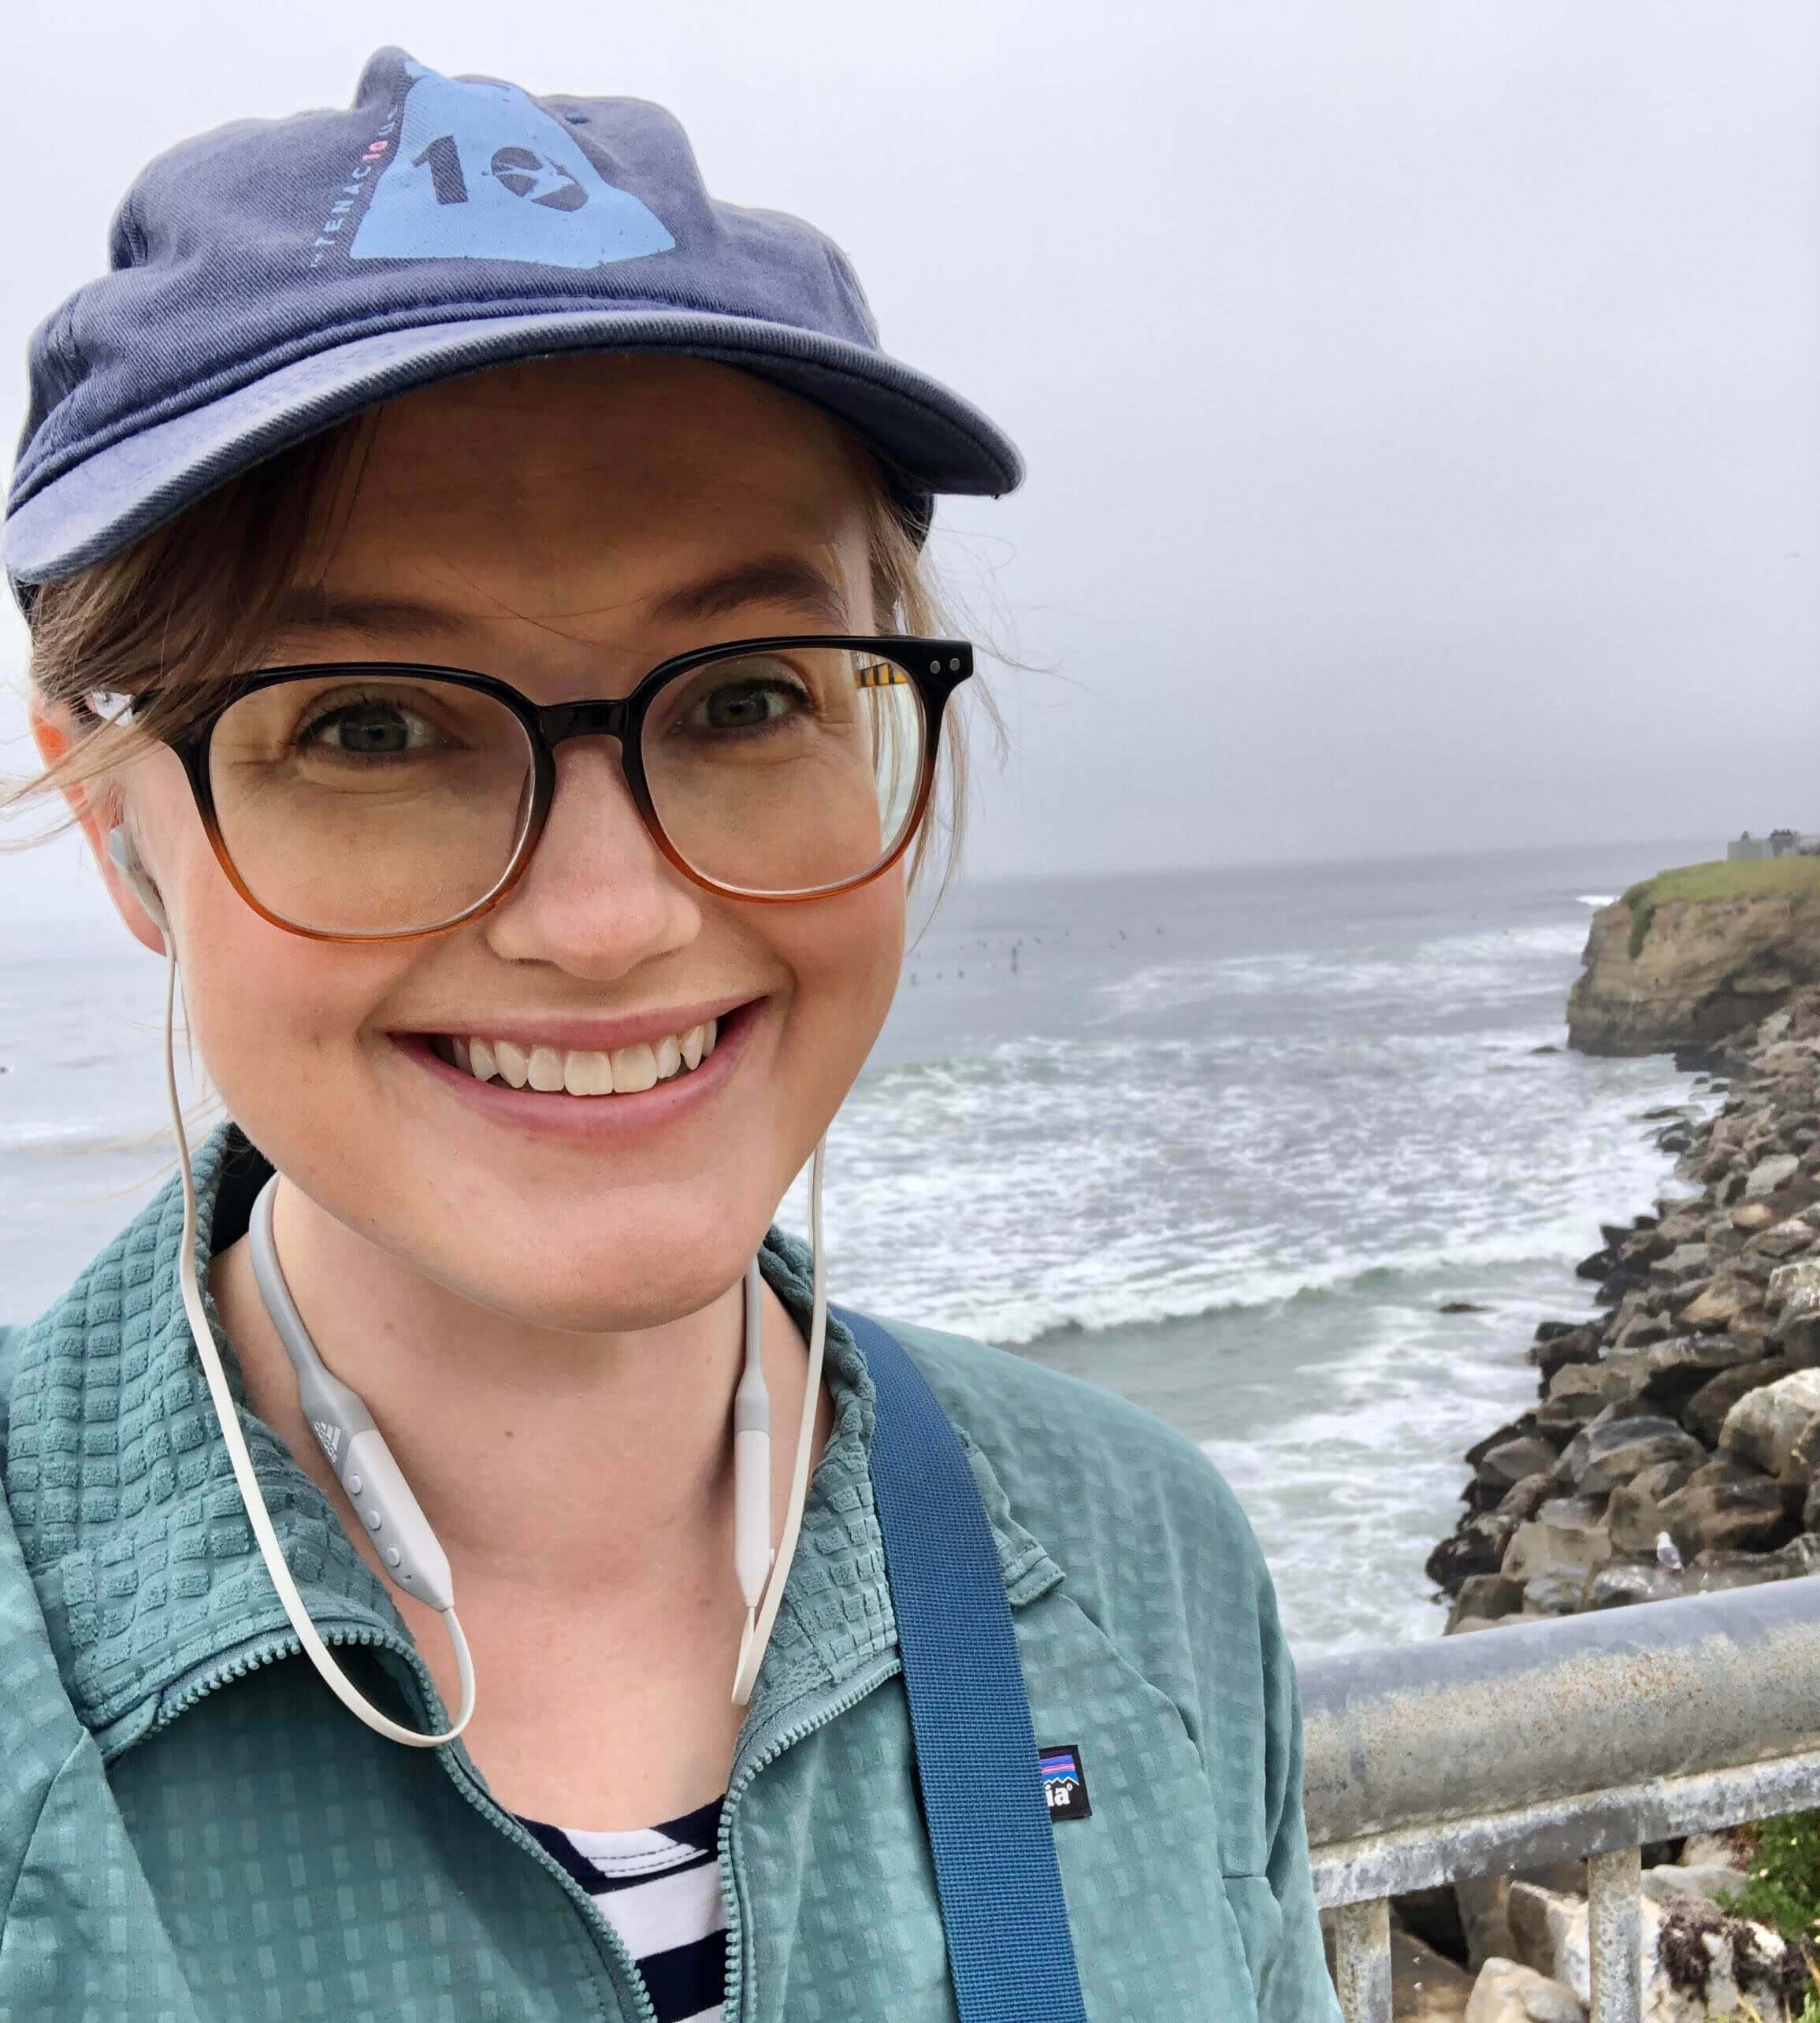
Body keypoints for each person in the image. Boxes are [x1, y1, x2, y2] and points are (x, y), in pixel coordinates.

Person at [0, 50, 1338, 2023]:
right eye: (371, 723)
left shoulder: (1141, 1563)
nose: (610, 916)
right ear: (125, 830)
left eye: (747, 698)